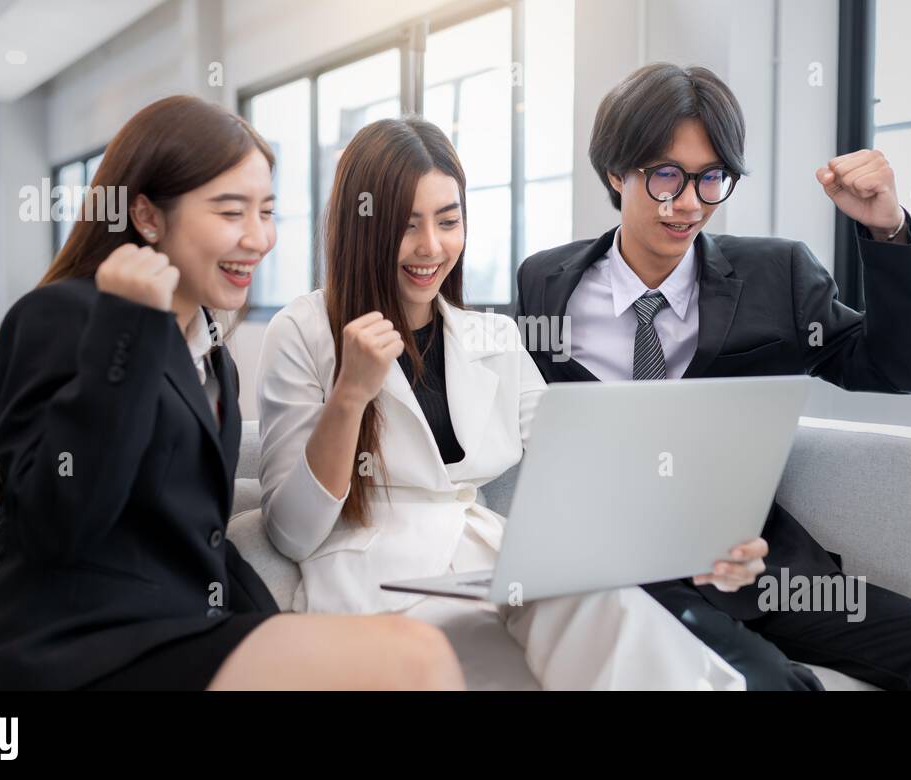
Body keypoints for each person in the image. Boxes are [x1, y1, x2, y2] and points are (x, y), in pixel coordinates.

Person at [515, 63, 911, 690]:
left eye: (712, 177)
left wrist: (886, 229)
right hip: (624, 571)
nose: (690, 202)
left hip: (763, 569)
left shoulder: (779, 276)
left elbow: (900, 368)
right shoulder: (546, 281)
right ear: (616, 171)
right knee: (773, 683)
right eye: (666, 174)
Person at [0, 96, 464, 691]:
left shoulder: (213, 356)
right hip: (63, 654)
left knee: (400, 651)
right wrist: (128, 330)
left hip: (176, 637)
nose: (259, 238)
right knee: (414, 659)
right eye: (230, 211)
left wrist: (291, 627)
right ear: (147, 217)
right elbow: (58, 525)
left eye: (266, 212)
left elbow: (201, 546)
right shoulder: (64, 317)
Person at [257, 116, 745, 690]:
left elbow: (579, 461)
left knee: (611, 607)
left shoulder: (491, 337)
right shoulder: (304, 332)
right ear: (360, 225)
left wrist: (697, 538)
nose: (431, 247)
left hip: (493, 566)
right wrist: (348, 398)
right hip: (380, 583)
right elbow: (291, 533)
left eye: (448, 220)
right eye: (406, 225)